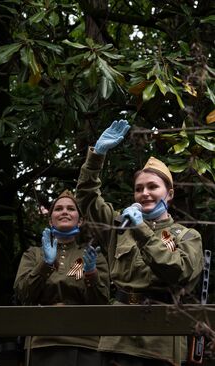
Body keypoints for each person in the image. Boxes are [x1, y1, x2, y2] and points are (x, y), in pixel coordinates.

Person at [75, 119, 203, 366]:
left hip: (161, 341)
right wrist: (97, 156)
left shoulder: (187, 236)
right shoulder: (119, 225)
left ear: (170, 193)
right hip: (119, 337)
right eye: (138, 189)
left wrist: (140, 229)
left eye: (153, 187)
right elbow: (88, 199)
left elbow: (177, 271)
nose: (144, 193)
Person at [14, 189, 110, 366]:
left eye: (70, 209)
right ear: (50, 220)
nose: (64, 211)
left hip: (85, 342)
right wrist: (45, 264)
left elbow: (102, 302)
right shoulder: (33, 254)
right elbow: (23, 293)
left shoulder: (93, 256)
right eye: (58, 209)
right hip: (42, 341)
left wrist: (91, 274)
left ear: (80, 221)